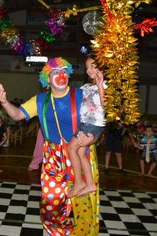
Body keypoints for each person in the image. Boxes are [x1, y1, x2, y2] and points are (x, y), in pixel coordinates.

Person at [0, 57, 99, 235]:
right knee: (51, 203)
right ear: (47, 79)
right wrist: (4, 102)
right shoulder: (40, 99)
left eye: (64, 72)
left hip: (80, 153)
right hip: (52, 157)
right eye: (55, 73)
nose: (61, 75)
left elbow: (98, 120)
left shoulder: (82, 94)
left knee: (83, 207)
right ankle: (59, 233)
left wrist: (93, 138)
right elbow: (17, 114)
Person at [67, 56, 106, 197]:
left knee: (71, 148)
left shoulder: (106, 85)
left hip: (92, 124)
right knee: (80, 152)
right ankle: (89, 183)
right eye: (87, 67)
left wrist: (100, 85)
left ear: (101, 67)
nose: (89, 70)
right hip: (86, 123)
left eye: (92, 66)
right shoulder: (87, 86)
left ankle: (79, 182)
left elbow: (106, 106)